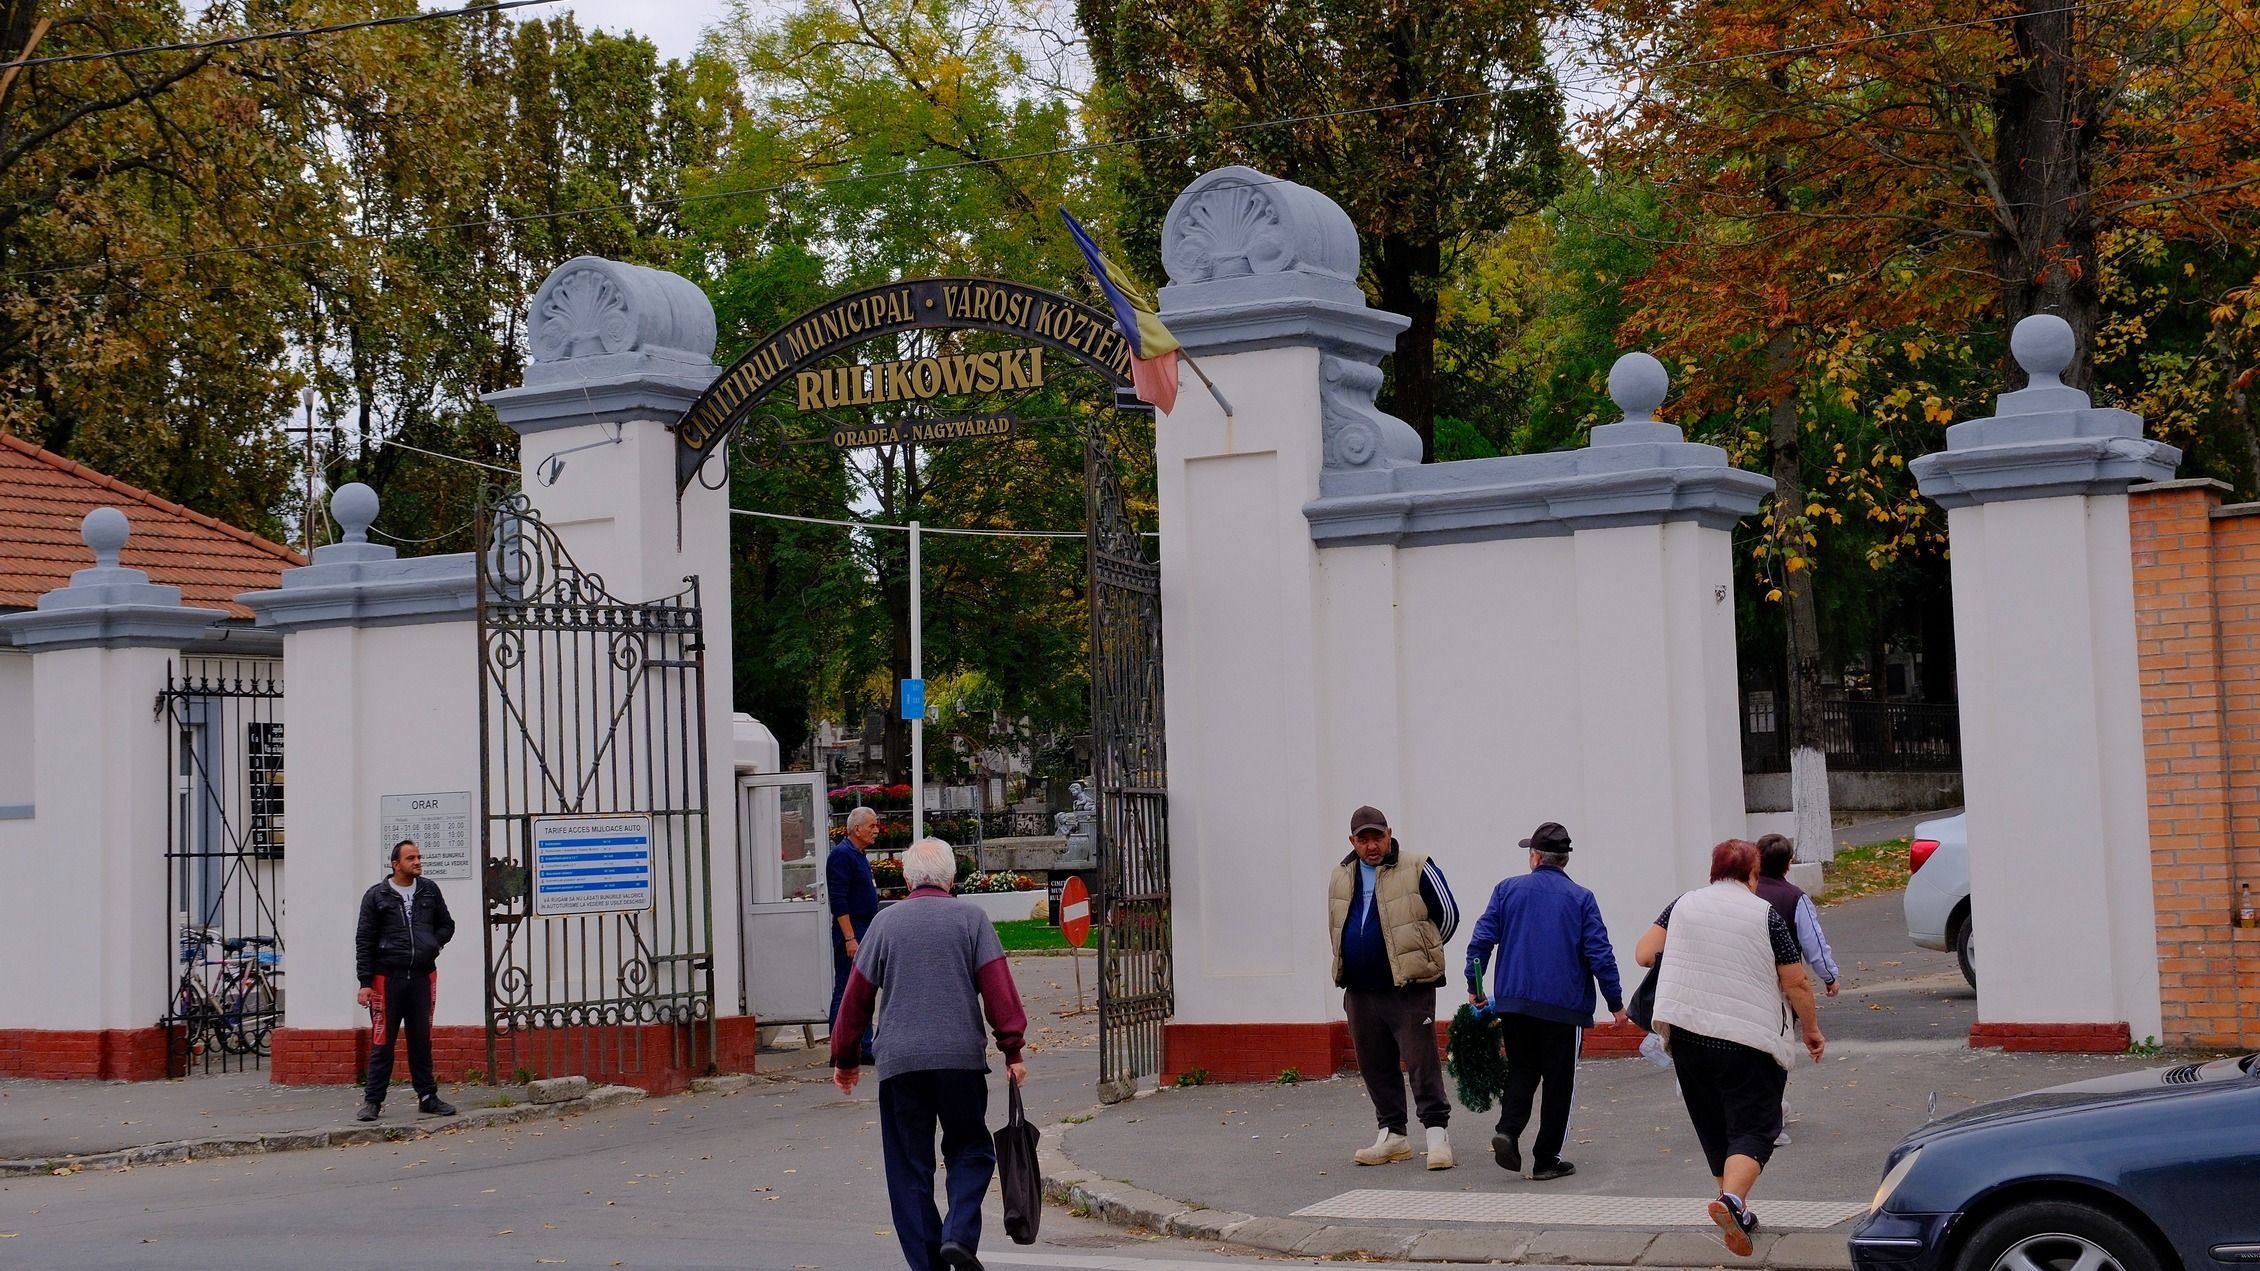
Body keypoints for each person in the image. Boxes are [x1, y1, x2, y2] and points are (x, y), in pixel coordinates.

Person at [833, 837, 1027, 1271]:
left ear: (904, 878)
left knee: (909, 1167)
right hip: (960, 1059)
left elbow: (856, 998)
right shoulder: (971, 920)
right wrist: (1012, 1049)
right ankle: (958, 1234)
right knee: (971, 1150)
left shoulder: (884, 925)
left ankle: (928, 1263)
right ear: (952, 878)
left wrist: (845, 1058)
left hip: (900, 1063)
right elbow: (999, 992)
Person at [1635, 839, 1825, 1258]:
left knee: (1715, 1126)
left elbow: (1644, 953)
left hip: (1686, 1035)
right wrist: (1810, 1029)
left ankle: (1737, 1210)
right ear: (1754, 874)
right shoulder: (1766, 915)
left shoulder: (1682, 904)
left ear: (1712, 871)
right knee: (1756, 1127)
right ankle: (1732, 1202)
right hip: (1746, 1039)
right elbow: (1796, 981)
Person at [1464, 821, 1626, 1181]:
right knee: (1559, 1081)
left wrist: (1475, 986)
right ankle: (1546, 1159)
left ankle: (1507, 1130)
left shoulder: (1506, 890)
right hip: (1563, 1009)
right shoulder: (1582, 898)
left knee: (1522, 1068)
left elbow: (1481, 941)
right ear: (1564, 860)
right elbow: (1600, 953)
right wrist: (1615, 1002)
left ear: (1535, 857)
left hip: (1514, 1003)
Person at [1329, 804, 1461, 1170]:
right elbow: (1337, 925)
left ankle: (1437, 1136)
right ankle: (1393, 1136)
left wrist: (1421, 955)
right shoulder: (1341, 875)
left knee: (1421, 1061)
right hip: (1359, 989)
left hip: (1408, 989)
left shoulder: (1417, 866)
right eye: (1363, 838)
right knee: (1374, 1063)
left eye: (1377, 836)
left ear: (1389, 833)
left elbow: (1447, 915)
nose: (1371, 845)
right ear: (1352, 841)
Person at [354, 839, 457, 1121]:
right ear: (395, 864)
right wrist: (365, 982)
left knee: (421, 1040)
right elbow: (364, 940)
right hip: (386, 980)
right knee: (382, 1042)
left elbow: (447, 924)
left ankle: (428, 1096)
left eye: (419, 857)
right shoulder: (377, 896)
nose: (417, 862)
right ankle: (373, 1102)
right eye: (411, 858)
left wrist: (431, 943)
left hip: (423, 978)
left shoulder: (429, 891)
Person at [1754, 833, 1839, 1146]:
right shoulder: (1795, 898)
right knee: (1775, 1051)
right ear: (1788, 864)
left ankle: (1769, 1108)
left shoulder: (1745, 895)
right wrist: (1829, 976)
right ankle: (1769, 1119)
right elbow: (1813, 943)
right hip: (1779, 989)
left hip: (1744, 982)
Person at [828, 805, 883, 1062]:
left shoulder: (858, 854)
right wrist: (850, 938)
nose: (876, 830)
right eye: (871, 825)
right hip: (852, 931)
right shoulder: (842, 855)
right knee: (846, 988)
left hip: (866, 928)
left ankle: (864, 1045)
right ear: (856, 828)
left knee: (864, 988)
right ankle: (841, 1049)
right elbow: (838, 900)